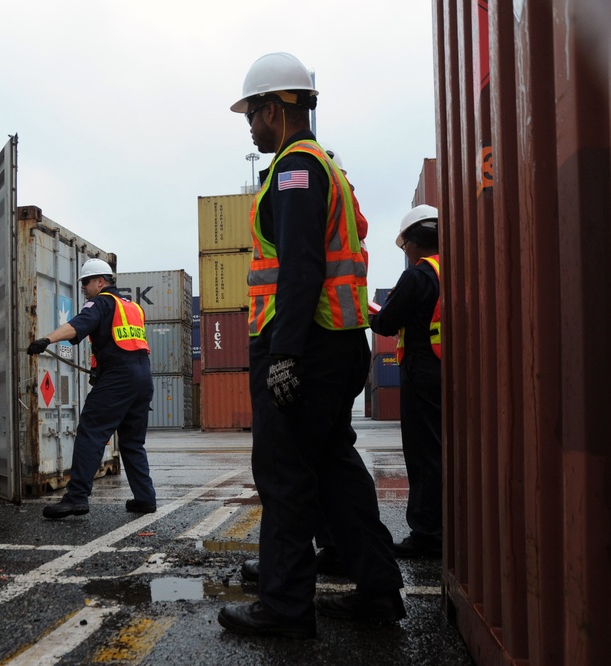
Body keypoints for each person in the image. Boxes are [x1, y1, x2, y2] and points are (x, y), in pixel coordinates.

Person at [217, 52, 405, 639]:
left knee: (285, 474)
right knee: (333, 469)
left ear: (276, 109)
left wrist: (284, 356)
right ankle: (378, 590)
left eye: (252, 113)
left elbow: (300, 268)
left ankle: (286, 607)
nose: (249, 125)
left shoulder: (296, 170)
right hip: (339, 345)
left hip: (307, 346)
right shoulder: (325, 168)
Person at [26, 258, 157, 520]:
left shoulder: (101, 302)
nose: (83, 287)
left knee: (90, 431)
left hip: (118, 378)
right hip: (143, 378)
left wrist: (46, 340)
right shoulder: (133, 307)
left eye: (86, 282)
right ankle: (145, 498)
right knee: (132, 442)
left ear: (100, 281)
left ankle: (76, 498)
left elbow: (77, 325)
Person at [368, 205, 443, 558]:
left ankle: (427, 535)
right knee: (444, 451)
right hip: (448, 370)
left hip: (422, 372)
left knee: (423, 453)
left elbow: (386, 323)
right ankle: (449, 525)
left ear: (413, 242)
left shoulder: (417, 276)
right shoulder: (450, 271)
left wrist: (372, 312)